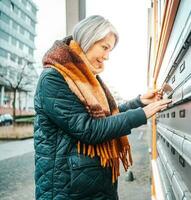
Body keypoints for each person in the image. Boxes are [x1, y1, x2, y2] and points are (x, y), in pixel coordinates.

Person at [34, 15, 171, 200]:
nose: (107, 56)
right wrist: (142, 114)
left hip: (92, 186)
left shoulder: (87, 79)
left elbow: (106, 117)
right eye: (104, 47)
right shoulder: (53, 78)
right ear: (88, 39)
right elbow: (89, 129)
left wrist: (139, 102)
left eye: (110, 50)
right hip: (67, 190)